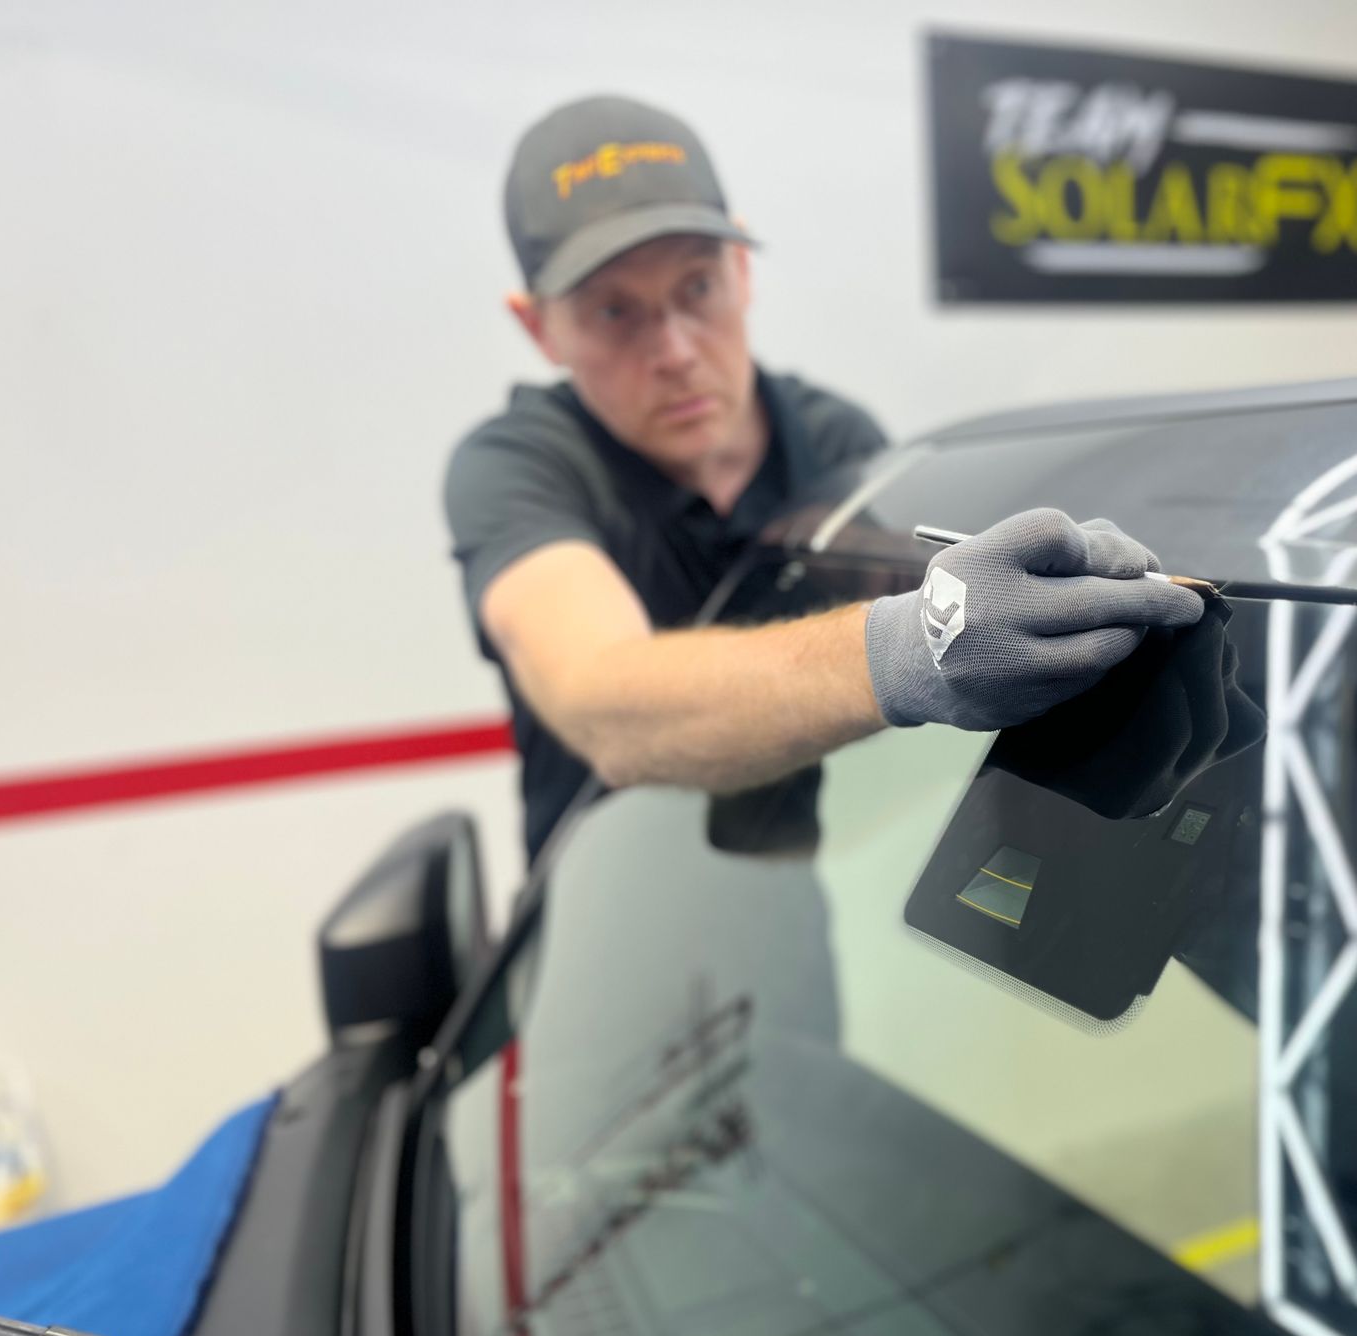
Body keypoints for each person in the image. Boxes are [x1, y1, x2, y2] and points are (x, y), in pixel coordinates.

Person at [445, 96, 1206, 860]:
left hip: (790, 907)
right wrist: (915, 644)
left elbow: (921, 735)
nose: (674, 348)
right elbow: (603, 704)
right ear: (539, 327)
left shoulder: (841, 445)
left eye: (697, 288)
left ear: (741, 273)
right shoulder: (518, 469)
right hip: (599, 928)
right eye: (615, 312)